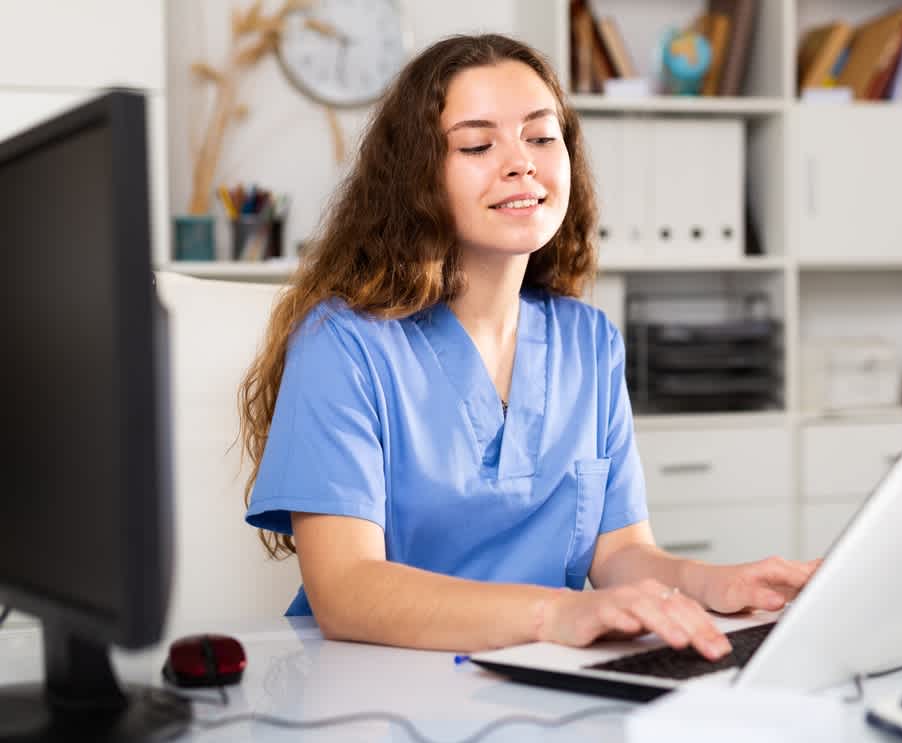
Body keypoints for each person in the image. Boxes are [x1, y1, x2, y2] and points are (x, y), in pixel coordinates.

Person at [240, 34, 819, 660]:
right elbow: (347, 590)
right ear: (415, 179)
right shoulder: (344, 344)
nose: (522, 163)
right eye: (477, 144)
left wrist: (717, 584)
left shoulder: (588, 342)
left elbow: (620, 552)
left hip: (540, 679)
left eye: (542, 137)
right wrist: (557, 613)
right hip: (374, 687)